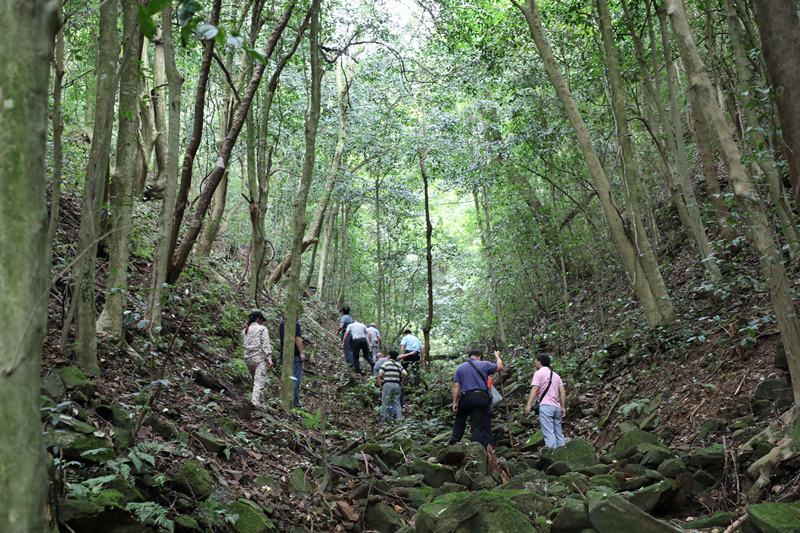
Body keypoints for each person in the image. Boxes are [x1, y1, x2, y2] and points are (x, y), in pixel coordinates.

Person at [449, 349, 503, 448]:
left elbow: (456, 386)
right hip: (480, 397)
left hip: (466, 397)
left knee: (460, 420)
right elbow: (500, 367)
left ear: (470, 356)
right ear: (479, 357)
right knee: (477, 425)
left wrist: (454, 402)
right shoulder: (484, 364)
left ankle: (454, 441)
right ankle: (476, 447)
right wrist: (497, 356)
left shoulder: (460, 368)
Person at [524, 353, 566, 448]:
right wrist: (562, 407)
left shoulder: (538, 373)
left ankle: (553, 458)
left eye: (535, 361)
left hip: (546, 406)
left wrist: (529, 404)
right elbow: (563, 392)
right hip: (556, 407)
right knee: (559, 434)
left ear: (539, 362)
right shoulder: (556, 375)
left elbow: (535, 389)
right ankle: (563, 456)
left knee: (549, 434)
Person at [242, 310, 274, 408]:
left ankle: (262, 405)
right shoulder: (262, 329)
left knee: (258, 383)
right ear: (257, 319)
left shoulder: (244, 331)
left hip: (248, 359)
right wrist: (269, 359)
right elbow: (265, 345)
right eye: (261, 320)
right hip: (259, 358)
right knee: (259, 383)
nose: (262, 322)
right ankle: (255, 404)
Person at [279, 307, 305, 408]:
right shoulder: (295, 325)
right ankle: (292, 401)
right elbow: (297, 338)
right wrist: (301, 353)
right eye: (297, 314)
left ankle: (292, 401)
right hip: (294, 356)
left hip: (284, 356)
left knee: (287, 378)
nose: (298, 317)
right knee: (295, 379)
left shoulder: (282, 324)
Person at [378, 350, 407, 424]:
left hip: (387, 384)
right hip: (397, 385)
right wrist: (402, 383)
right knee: (397, 403)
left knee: (385, 402)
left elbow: (380, 375)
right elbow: (405, 374)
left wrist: (385, 379)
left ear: (389, 356)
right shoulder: (398, 365)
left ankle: (382, 421)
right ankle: (399, 421)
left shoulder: (385, 364)